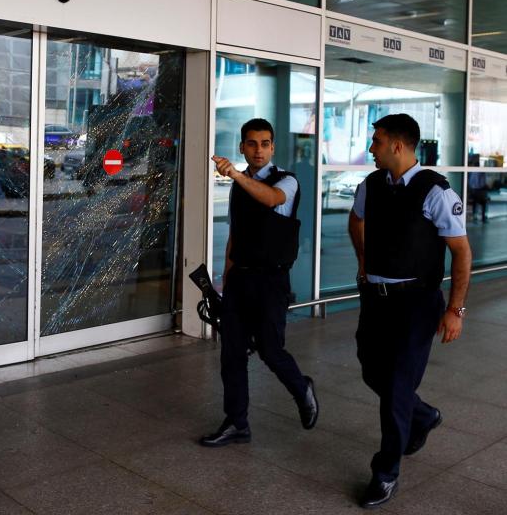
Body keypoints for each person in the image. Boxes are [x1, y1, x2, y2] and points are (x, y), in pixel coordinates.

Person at [347, 114, 471, 509]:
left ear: (398, 146)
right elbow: (356, 220)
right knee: (371, 369)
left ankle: (385, 472)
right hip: (376, 299)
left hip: (417, 303)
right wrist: (364, 260)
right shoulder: (371, 185)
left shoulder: (434, 191)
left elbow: (461, 252)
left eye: (377, 141)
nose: (371, 148)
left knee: (397, 388)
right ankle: (423, 415)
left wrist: (455, 310)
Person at [201, 118, 318, 448]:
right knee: (232, 353)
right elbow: (235, 235)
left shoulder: (288, 181)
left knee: (270, 349)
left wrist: (236, 174)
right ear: (242, 147)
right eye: (252, 143)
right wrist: (224, 278)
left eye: (265, 143)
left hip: (271, 280)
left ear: (273, 147)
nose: (259, 150)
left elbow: (271, 199)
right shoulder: (239, 186)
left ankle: (302, 388)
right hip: (240, 279)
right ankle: (237, 422)